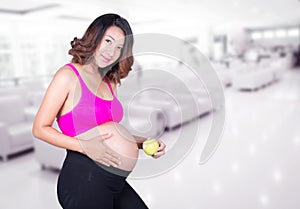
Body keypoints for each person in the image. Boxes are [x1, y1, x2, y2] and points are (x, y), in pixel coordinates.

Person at [32, 13, 166, 209]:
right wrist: (84, 146)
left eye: (119, 47)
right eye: (108, 41)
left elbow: (110, 131)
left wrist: (142, 142)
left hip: (114, 181)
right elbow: (39, 128)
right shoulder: (68, 75)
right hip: (84, 179)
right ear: (95, 37)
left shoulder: (110, 81)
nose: (112, 52)